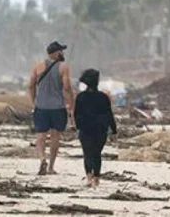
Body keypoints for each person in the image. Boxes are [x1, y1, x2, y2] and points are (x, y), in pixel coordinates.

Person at [28, 41, 74, 176]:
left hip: (41, 107)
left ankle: (42, 159)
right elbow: (66, 87)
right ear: (55, 53)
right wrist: (71, 103)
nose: (63, 53)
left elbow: (31, 85)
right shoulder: (63, 67)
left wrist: (33, 102)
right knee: (55, 137)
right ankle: (51, 167)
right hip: (57, 108)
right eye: (61, 51)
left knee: (40, 136)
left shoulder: (38, 66)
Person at [74, 68, 117, 187]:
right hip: (100, 129)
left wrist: (77, 126)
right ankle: (96, 177)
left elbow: (76, 114)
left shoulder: (81, 97)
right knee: (97, 153)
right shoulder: (103, 97)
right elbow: (109, 114)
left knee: (87, 153)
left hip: (85, 128)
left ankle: (89, 177)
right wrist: (113, 129)